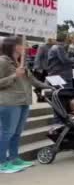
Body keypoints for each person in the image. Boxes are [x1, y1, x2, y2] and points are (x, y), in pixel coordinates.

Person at [0, 36, 51, 173]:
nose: (27, 47)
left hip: (24, 101)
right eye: (24, 45)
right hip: (9, 102)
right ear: (14, 46)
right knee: (7, 133)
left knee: (17, 133)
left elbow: (33, 81)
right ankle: (1, 162)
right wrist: (14, 76)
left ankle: (14, 158)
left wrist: (52, 87)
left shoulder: (21, 63)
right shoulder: (3, 62)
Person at [33, 38, 54, 102]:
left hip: (51, 68)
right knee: (40, 83)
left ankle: (46, 97)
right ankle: (39, 97)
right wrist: (38, 67)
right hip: (42, 68)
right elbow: (38, 57)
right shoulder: (43, 46)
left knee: (49, 84)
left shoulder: (54, 47)